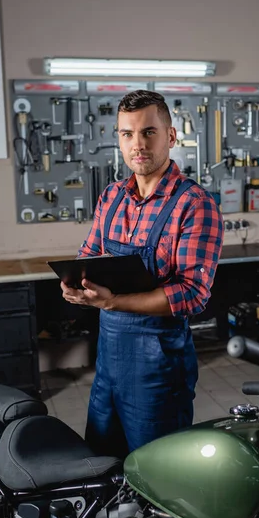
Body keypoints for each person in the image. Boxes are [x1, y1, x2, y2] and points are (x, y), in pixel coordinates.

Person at [61, 90, 223, 457]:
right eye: (127, 134)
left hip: (160, 368)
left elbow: (192, 293)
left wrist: (114, 301)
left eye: (149, 132)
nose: (138, 144)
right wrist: (74, 283)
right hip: (109, 364)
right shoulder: (111, 197)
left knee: (157, 472)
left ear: (170, 136)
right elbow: (87, 255)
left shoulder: (195, 205)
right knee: (102, 460)